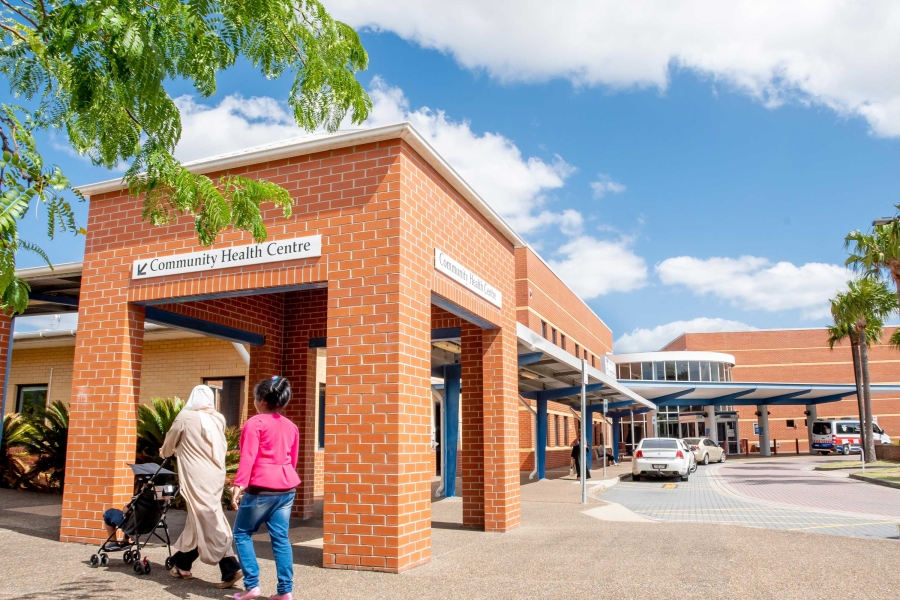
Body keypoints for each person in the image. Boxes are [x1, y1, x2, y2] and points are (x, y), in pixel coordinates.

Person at [160, 385, 242, 588]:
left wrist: (164, 452)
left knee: (207, 519)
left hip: (196, 477)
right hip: (216, 476)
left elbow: (169, 445)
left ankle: (230, 566)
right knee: (199, 518)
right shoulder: (219, 418)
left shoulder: (185, 417)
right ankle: (182, 563)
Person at [231, 376, 300, 600]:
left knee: (241, 533)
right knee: (281, 538)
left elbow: (248, 456)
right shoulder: (291, 426)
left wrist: (239, 484)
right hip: (286, 487)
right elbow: (293, 459)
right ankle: (285, 591)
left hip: (261, 487)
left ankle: (252, 586)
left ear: (260, 400)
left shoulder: (254, 423)